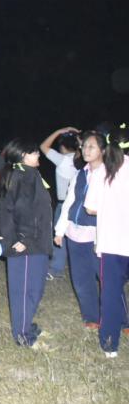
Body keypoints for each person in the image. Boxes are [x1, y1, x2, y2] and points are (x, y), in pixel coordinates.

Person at [0, 138, 53, 349]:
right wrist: (23, 237)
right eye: (34, 152)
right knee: (24, 292)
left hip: (36, 241)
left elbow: (3, 207)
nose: (38, 155)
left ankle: (26, 326)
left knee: (35, 289)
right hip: (26, 243)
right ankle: (22, 335)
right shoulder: (24, 175)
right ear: (22, 156)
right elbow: (18, 209)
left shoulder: (25, 174)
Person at [83, 123, 129, 358]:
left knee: (110, 293)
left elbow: (90, 208)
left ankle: (110, 345)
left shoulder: (102, 171)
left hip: (112, 243)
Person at [54, 130, 104, 329]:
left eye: (91, 146)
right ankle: (92, 317)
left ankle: (122, 319)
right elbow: (69, 202)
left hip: (98, 235)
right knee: (82, 279)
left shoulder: (111, 175)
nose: (85, 150)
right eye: (84, 146)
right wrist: (60, 230)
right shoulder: (80, 174)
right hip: (74, 235)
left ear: (103, 150)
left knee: (108, 279)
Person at [41, 126, 81, 280]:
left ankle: (56, 269)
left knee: (60, 235)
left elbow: (43, 146)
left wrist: (60, 131)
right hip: (80, 203)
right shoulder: (82, 159)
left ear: (63, 146)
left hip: (64, 203)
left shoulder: (63, 160)